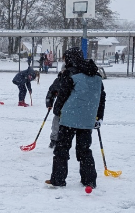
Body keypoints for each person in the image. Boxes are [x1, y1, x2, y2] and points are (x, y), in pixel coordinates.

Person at [46, 47, 106, 190]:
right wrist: (99, 116)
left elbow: (63, 95)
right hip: (88, 119)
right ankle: (89, 180)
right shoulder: (97, 76)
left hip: (69, 118)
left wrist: (57, 110)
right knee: (85, 150)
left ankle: (58, 179)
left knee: (62, 148)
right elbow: (101, 98)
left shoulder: (70, 73)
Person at [45, 68, 65, 148]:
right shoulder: (58, 80)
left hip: (71, 108)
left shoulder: (76, 79)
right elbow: (51, 92)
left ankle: (64, 142)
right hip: (59, 108)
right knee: (55, 125)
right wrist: (49, 103)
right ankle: (54, 140)